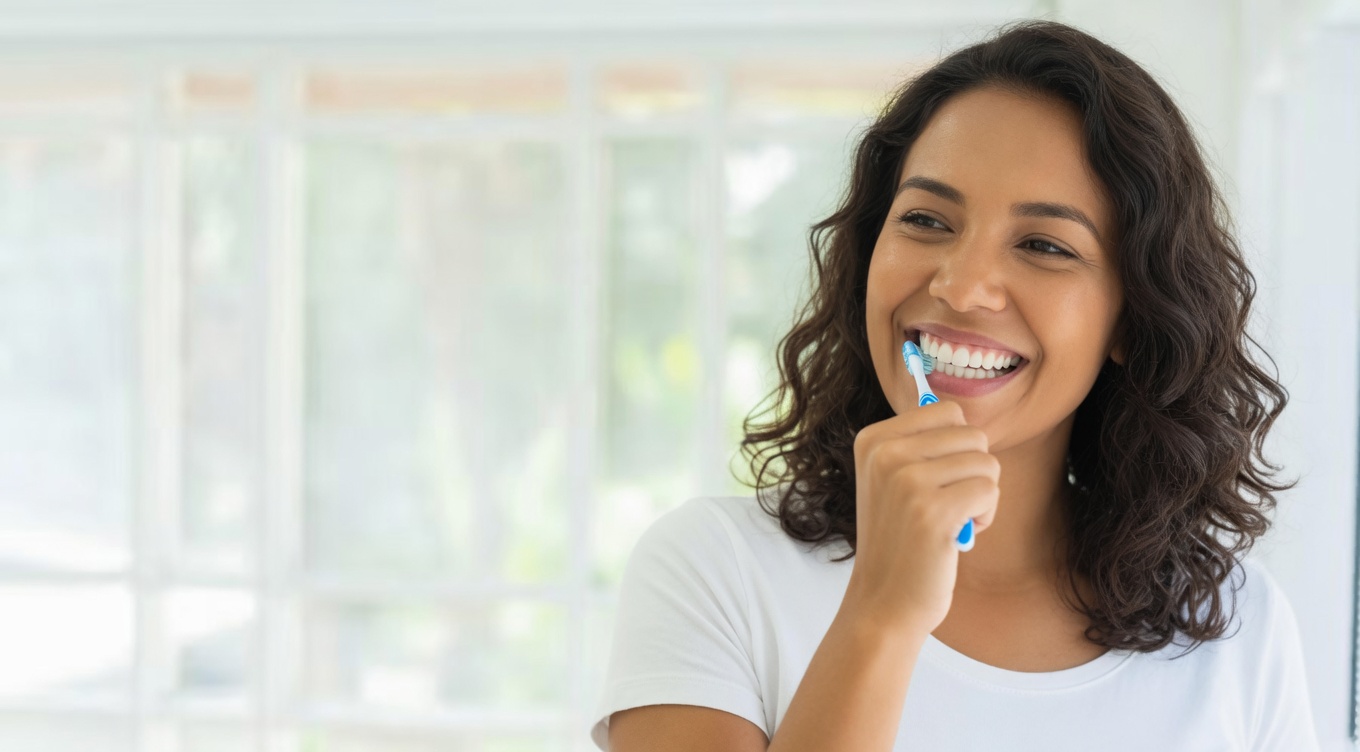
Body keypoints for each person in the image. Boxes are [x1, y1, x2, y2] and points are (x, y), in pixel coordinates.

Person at [590, 18, 1320, 752]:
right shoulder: (714, 571)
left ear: (1133, 316)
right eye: (927, 220)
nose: (962, 285)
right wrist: (882, 614)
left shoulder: (1238, 629)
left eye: (1043, 245)